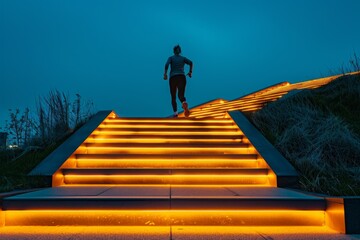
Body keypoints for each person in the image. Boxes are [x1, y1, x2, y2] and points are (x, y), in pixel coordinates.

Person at [164, 45, 193, 117]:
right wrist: (190, 72)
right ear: (180, 51)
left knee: (173, 96)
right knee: (181, 94)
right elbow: (191, 62)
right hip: (181, 77)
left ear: (174, 51)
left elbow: (166, 64)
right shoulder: (183, 58)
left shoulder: (171, 58)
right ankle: (184, 102)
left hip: (173, 77)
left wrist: (165, 73)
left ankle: (176, 113)